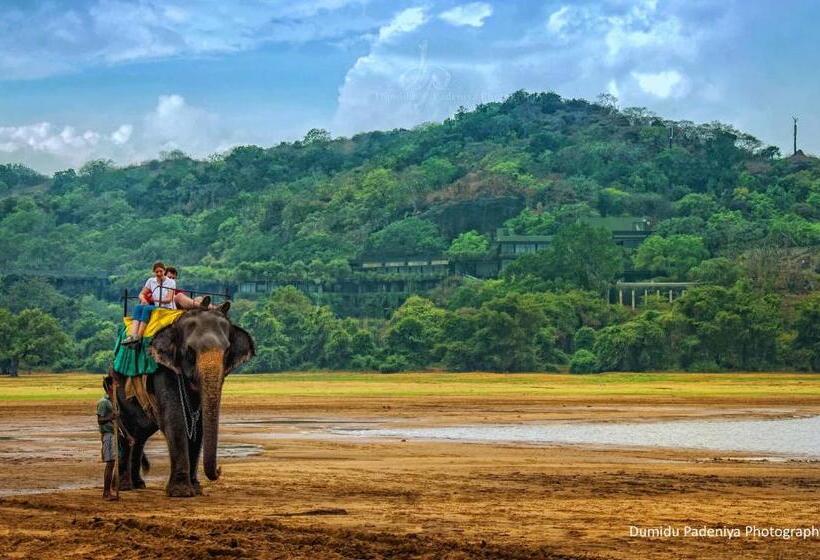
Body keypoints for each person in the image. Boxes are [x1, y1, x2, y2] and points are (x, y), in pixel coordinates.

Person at [122, 261, 176, 345]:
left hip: (167, 307)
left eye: (161, 271)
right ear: (154, 272)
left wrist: (155, 300)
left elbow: (169, 299)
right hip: (157, 305)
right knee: (138, 307)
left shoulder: (171, 282)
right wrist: (143, 299)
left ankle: (138, 336)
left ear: (164, 271)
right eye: (157, 272)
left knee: (147, 308)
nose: (159, 273)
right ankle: (132, 335)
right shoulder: (151, 281)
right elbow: (141, 294)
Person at [97, 377, 119, 501]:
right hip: (107, 435)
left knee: (112, 463)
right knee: (110, 464)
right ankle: (106, 492)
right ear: (110, 386)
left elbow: (117, 421)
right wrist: (111, 416)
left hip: (113, 434)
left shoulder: (113, 401)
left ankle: (109, 490)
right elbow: (100, 420)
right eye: (115, 383)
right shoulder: (104, 402)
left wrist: (127, 435)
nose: (117, 384)